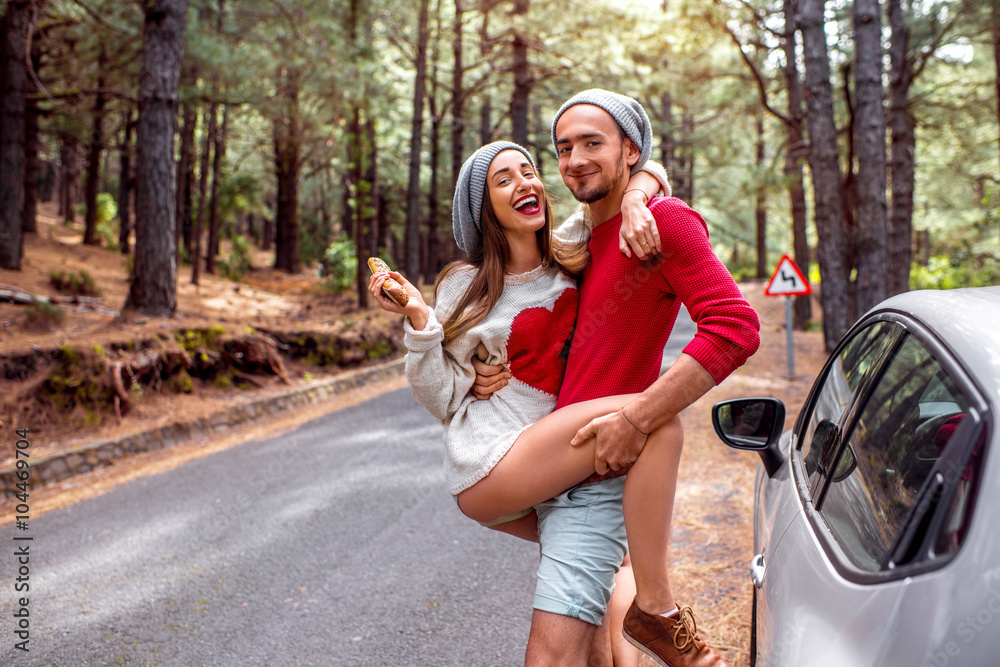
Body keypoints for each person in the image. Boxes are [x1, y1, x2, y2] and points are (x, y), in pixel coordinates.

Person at [369, 139, 695, 666]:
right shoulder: (465, 284)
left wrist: (636, 198)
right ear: (485, 210)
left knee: (608, 568)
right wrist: (419, 320)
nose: (526, 183)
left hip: (548, 466)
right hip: (493, 463)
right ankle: (659, 612)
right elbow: (440, 395)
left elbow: (647, 164)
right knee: (653, 413)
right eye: (504, 180)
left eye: (529, 170)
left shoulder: (569, 252)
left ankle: (630, 639)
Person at [472, 89, 761, 667]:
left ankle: (657, 614)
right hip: (555, 462)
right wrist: (487, 372)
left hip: (596, 474)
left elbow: (734, 325)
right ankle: (650, 616)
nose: (575, 158)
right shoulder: (574, 243)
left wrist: (638, 419)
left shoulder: (661, 225)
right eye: (563, 148)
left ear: (629, 150)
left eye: (592, 143)